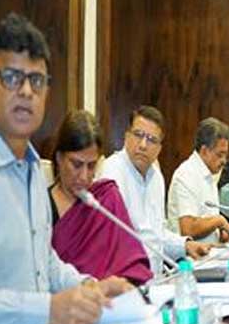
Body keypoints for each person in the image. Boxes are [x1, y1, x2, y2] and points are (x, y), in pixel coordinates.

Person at [0, 14, 129, 324]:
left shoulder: (34, 169)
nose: (26, 91)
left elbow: (43, 264)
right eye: (11, 78)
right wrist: (47, 311)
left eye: (37, 80)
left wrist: (89, 287)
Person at [97, 105, 211, 273]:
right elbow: (110, 241)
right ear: (126, 136)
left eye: (151, 140)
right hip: (124, 278)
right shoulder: (111, 173)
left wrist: (185, 245)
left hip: (155, 278)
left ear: (159, 148)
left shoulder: (156, 177)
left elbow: (157, 235)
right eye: (138, 135)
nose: (143, 145)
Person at [47, 110, 153, 286]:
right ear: (59, 158)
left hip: (115, 299)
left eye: (91, 166)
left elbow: (133, 263)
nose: (84, 176)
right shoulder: (41, 206)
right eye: (76, 164)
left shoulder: (106, 198)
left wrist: (120, 286)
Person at [167, 117, 229, 243]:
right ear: (204, 151)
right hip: (190, 254)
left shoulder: (209, 174)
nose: (224, 161)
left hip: (213, 250)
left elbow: (215, 229)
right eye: (220, 155)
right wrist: (218, 221)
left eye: (225, 155)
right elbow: (188, 229)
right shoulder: (187, 174)